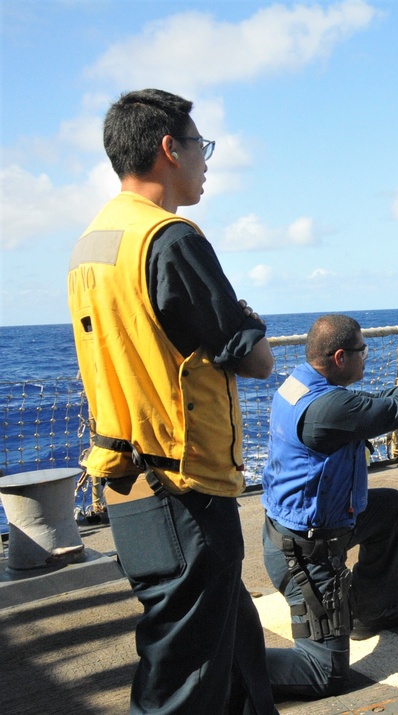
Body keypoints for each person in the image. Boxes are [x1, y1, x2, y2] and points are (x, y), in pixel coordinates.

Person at [67, 89, 277, 714]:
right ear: (169, 150)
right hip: (183, 487)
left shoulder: (92, 244)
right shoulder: (170, 239)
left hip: (127, 476)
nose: (205, 162)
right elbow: (256, 359)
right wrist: (247, 320)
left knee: (233, 647)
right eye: (200, 147)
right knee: (180, 681)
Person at [261, 313, 398, 700]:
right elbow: (392, 412)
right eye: (361, 351)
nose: (366, 357)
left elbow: (375, 405)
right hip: (306, 556)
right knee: (324, 674)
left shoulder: (301, 385)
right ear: (340, 357)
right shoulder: (326, 410)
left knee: (387, 508)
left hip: (308, 527)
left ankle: (371, 612)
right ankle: (224, 669)